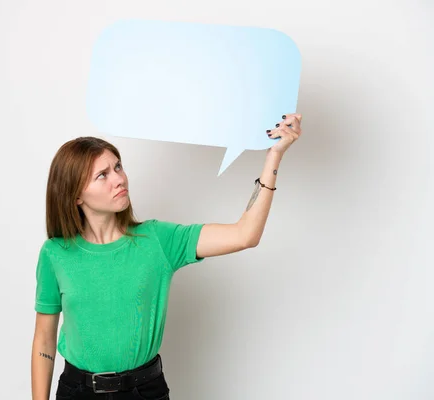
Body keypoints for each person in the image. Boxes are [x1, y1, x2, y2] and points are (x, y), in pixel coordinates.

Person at [31, 114, 303, 399]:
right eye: (103, 175)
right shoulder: (55, 254)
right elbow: (44, 339)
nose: (119, 179)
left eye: (118, 167)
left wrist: (274, 156)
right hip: (77, 393)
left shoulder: (157, 240)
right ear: (76, 196)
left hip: (144, 391)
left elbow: (245, 234)